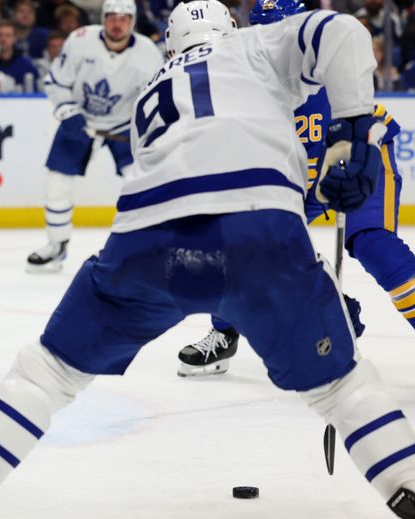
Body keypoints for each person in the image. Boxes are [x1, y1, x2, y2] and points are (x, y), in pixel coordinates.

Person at [0, 3, 415, 518]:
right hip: (257, 232)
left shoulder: (152, 89)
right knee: (341, 388)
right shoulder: (252, 46)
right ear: (231, 29)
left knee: (47, 372)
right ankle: (405, 482)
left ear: (173, 45)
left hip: (145, 243)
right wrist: (351, 130)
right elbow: (343, 30)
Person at [175, 0, 415, 378]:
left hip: (356, 163)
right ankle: (227, 331)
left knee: (373, 244)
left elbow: (367, 115)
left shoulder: (326, 65)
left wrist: (357, 150)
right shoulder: (239, 85)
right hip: (300, 184)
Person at [25, 0, 164, 272]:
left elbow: (153, 99)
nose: (117, 23)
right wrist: (68, 111)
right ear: (103, 18)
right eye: (111, 16)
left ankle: (143, 247)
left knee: (139, 184)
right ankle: (57, 245)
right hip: (79, 120)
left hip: (124, 126)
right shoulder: (79, 41)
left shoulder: (148, 54)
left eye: (124, 18)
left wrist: (144, 130)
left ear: (133, 21)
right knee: (57, 183)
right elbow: (56, 82)